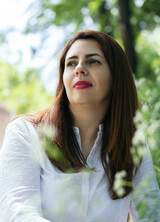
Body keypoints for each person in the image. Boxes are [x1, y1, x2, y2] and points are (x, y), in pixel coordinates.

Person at [0, 30, 159, 222]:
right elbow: (17, 212)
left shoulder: (133, 144)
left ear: (116, 76)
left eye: (93, 61)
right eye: (71, 63)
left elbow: (151, 214)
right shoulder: (24, 133)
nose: (79, 69)